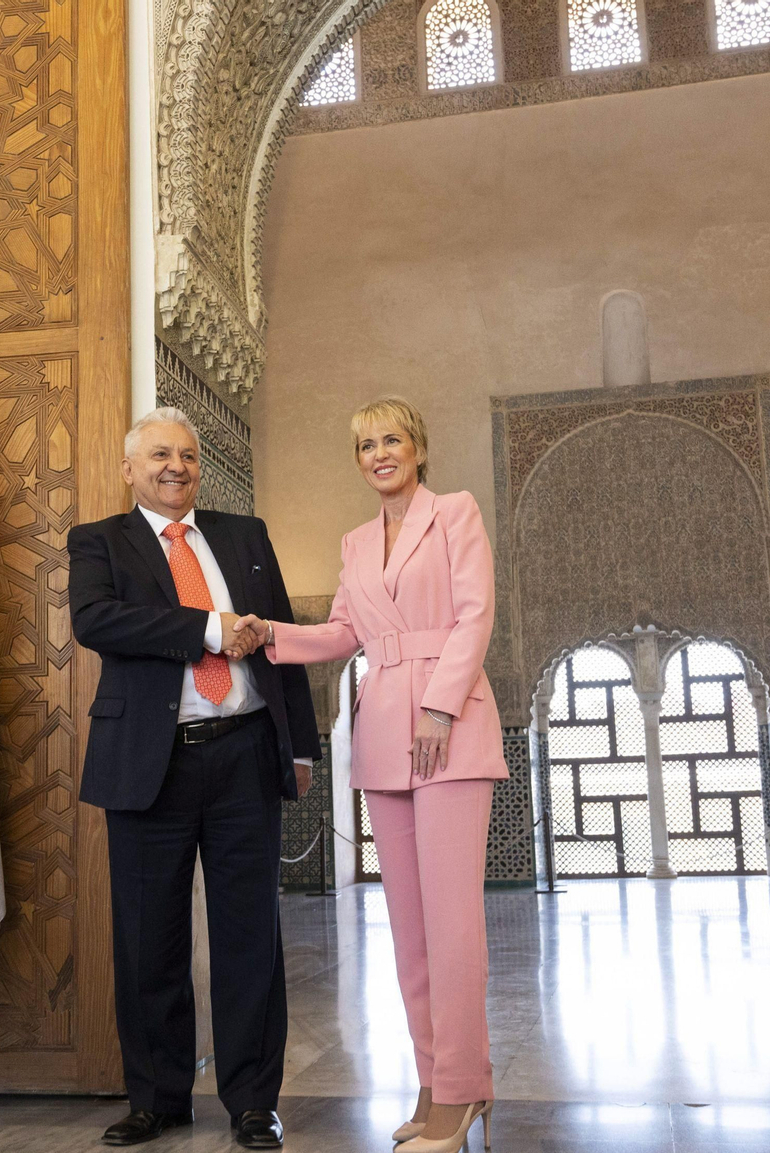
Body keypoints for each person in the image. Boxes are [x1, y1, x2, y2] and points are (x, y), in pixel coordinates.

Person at [235, 397, 506, 1153]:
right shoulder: (356, 541)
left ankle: (462, 1088)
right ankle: (434, 1081)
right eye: (364, 445)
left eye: (390, 439)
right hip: (383, 730)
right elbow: (345, 633)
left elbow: (475, 614)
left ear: (417, 446)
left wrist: (441, 707)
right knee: (411, 930)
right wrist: (269, 635)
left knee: (454, 926)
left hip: (446, 725)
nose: (378, 453)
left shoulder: (454, 512)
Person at [68, 407, 319, 1149]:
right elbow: (98, 621)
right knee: (150, 938)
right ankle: (157, 1097)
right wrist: (208, 628)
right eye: (158, 455)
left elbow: (283, 644)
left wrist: (299, 746)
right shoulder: (100, 542)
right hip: (151, 762)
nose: (174, 466)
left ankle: (251, 1101)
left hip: (244, 752)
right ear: (129, 469)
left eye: (186, 455)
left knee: (251, 934)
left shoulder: (245, 534)